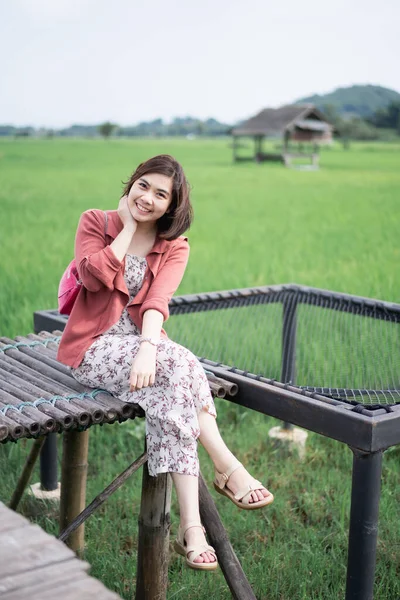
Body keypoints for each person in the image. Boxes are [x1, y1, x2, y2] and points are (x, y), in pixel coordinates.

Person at [57, 154, 273, 571]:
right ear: (131, 183)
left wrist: (147, 348)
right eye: (143, 185)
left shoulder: (174, 246)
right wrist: (128, 228)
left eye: (161, 194)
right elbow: (91, 277)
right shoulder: (95, 222)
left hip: (147, 349)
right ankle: (226, 467)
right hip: (94, 348)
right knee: (183, 363)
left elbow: (157, 302)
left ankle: (191, 527)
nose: (148, 198)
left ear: (171, 206)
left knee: (173, 385)